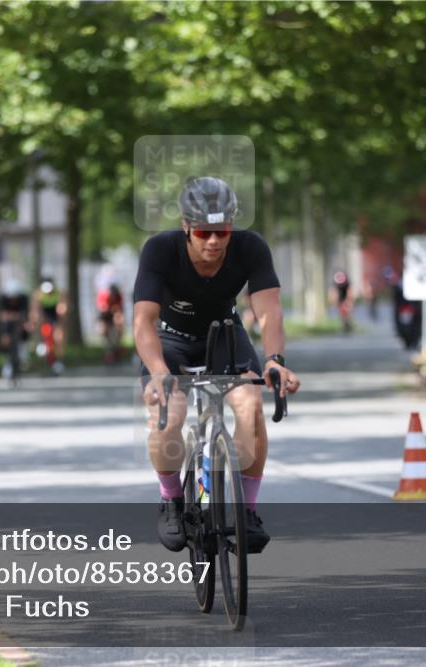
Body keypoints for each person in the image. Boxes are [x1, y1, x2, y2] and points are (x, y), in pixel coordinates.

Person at [133, 176, 301, 554]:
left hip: (223, 335)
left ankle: (247, 512)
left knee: (252, 405)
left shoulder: (251, 247)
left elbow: (269, 310)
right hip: (169, 340)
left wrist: (275, 360)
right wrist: (158, 372)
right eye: (204, 232)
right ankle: (172, 500)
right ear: (186, 227)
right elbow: (143, 321)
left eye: (222, 231)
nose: (213, 241)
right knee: (168, 413)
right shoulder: (159, 250)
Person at [33, 276, 66, 375]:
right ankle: (44, 355)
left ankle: (59, 360)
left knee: (58, 337)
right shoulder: (39, 295)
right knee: (45, 337)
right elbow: (36, 310)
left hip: (55, 318)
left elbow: (62, 308)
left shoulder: (58, 293)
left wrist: (62, 311)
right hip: (45, 319)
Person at [0, 279, 31, 380]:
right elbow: (2, 316)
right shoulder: (3, 299)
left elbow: (25, 315)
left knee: (25, 329)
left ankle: (23, 352)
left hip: (20, 322)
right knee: (6, 339)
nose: (13, 300)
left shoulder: (24, 299)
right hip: (7, 324)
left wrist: (23, 322)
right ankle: (7, 363)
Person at [97, 282, 125, 364]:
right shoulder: (103, 296)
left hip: (113, 314)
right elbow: (103, 310)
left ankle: (117, 344)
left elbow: (119, 309)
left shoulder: (118, 296)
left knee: (119, 320)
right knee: (104, 329)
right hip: (104, 316)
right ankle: (109, 348)